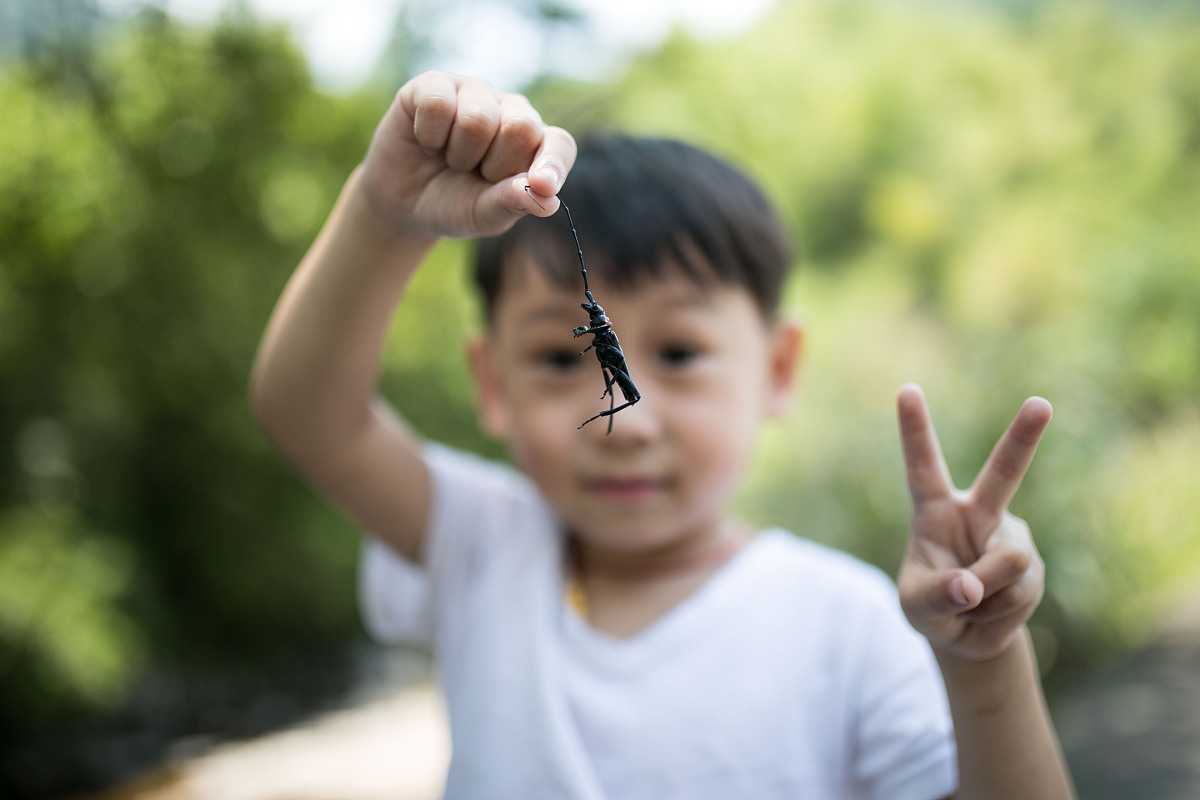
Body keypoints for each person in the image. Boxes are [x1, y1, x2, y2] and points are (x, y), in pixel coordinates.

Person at [250, 70, 1076, 799]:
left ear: (779, 369)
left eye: (681, 352)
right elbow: (307, 412)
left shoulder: (857, 629)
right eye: (551, 358)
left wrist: (983, 661)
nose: (629, 426)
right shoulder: (482, 546)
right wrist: (382, 213)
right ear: (491, 384)